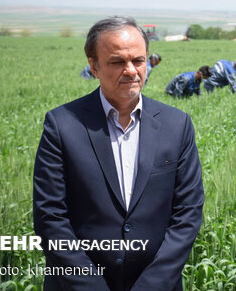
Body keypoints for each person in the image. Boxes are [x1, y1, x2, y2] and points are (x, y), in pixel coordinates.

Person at [33, 16, 204, 291]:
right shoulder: (62, 125)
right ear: (94, 66)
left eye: (138, 60)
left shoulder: (177, 125)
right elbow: (50, 217)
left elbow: (188, 214)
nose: (131, 71)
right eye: (117, 62)